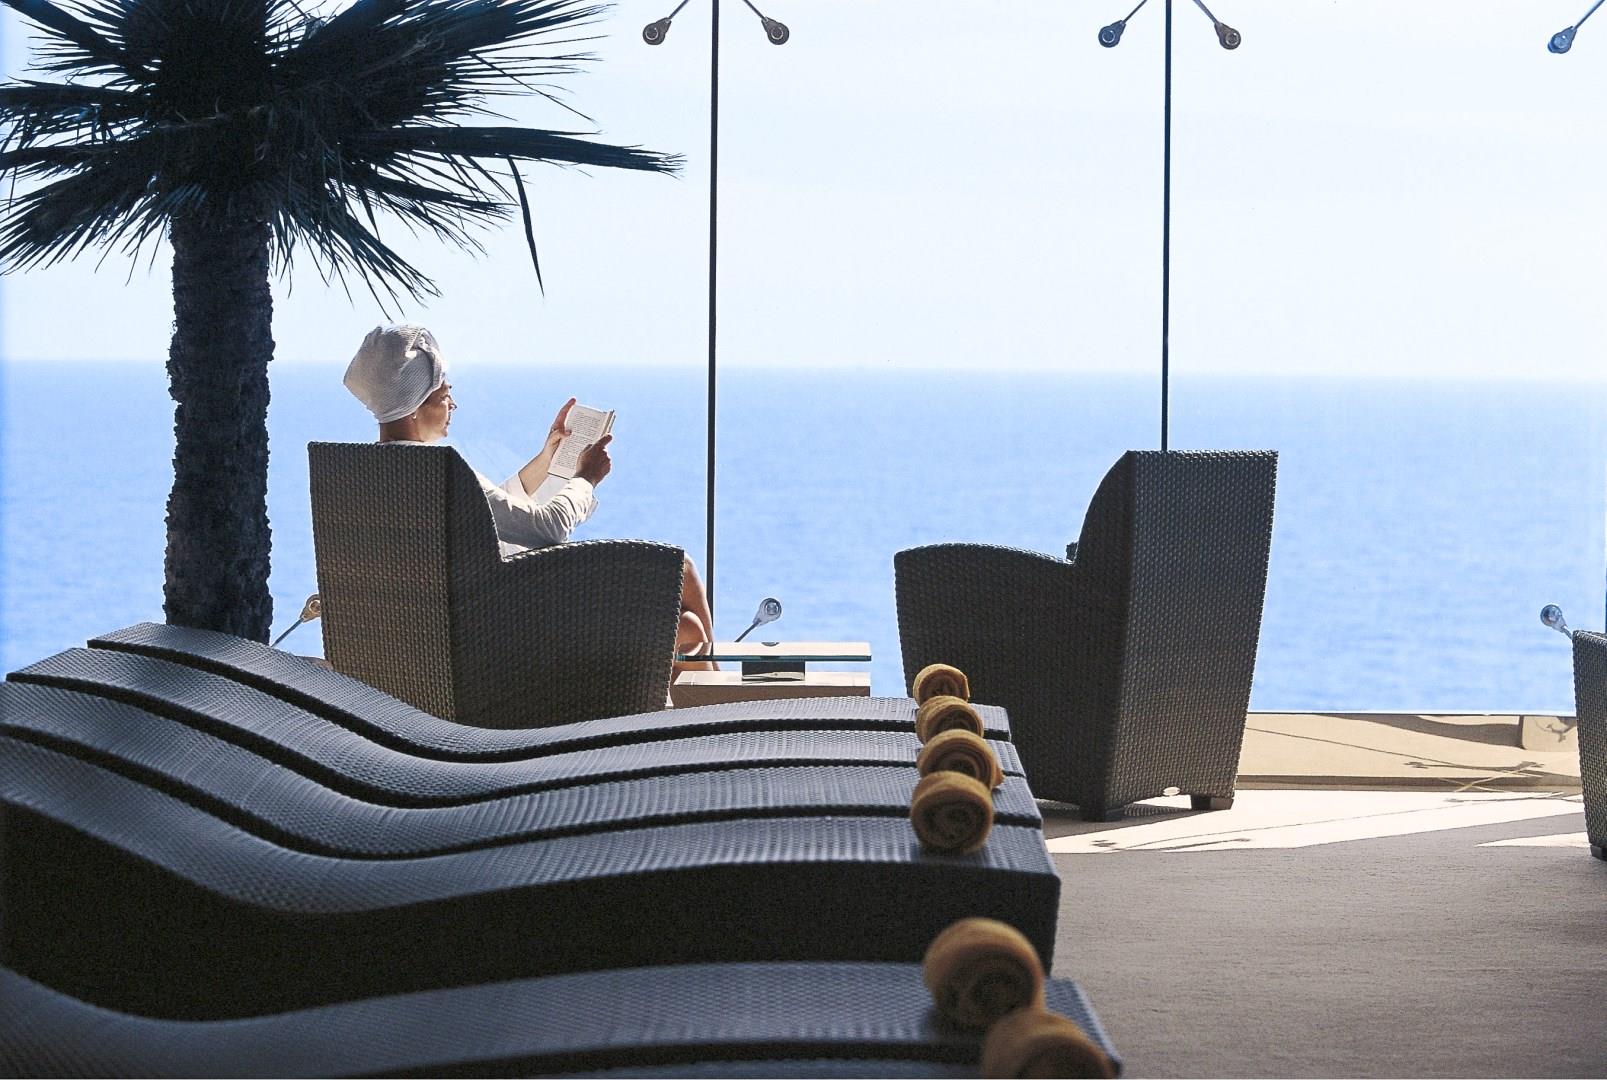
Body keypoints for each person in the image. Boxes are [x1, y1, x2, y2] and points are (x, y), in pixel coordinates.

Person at [343, 324, 715, 672]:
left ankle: (697, 701)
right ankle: (719, 703)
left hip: (434, 647)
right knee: (682, 586)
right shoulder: (440, 470)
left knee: (687, 626)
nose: (452, 404)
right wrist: (586, 478)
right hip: (502, 641)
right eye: (445, 394)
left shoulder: (370, 472)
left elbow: (485, 512)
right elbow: (547, 528)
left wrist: (547, 460)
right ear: (415, 406)